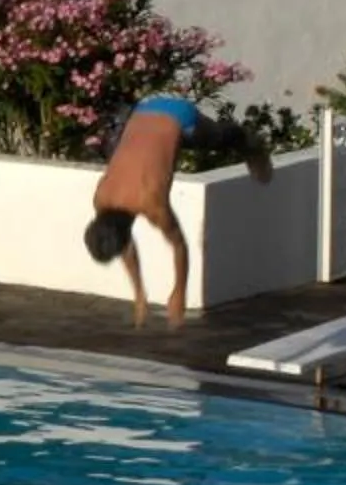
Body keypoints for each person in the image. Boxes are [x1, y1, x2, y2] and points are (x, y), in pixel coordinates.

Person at [85, 94, 273, 328]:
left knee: (214, 139)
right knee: (169, 142)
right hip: (144, 109)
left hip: (178, 114)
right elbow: (125, 246)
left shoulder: (151, 202)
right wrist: (139, 295)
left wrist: (179, 293)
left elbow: (179, 245)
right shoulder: (102, 198)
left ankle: (247, 139)